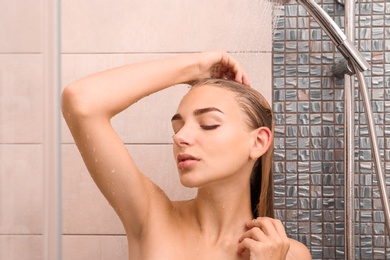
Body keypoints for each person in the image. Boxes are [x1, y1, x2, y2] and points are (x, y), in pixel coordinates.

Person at [62, 50, 312, 260]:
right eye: (177, 127)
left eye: (208, 124)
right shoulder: (152, 218)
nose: (179, 137)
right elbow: (81, 101)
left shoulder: (290, 254)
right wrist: (195, 67)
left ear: (258, 142)